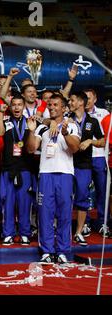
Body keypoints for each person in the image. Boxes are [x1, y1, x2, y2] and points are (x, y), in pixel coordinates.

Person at [27, 94, 80, 264]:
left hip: (65, 174)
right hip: (46, 174)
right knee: (45, 214)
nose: (51, 107)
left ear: (64, 108)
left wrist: (64, 133)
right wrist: (30, 130)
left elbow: (75, 148)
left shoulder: (72, 126)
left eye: (56, 105)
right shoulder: (41, 128)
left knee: (64, 214)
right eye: (49, 105)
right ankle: (47, 251)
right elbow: (31, 148)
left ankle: (63, 250)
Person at [0, 95, 34, 246]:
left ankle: (25, 233)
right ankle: (8, 233)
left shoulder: (30, 122)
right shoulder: (6, 122)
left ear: (24, 106)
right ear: (11, 107)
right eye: (14, 105)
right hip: (8, 169)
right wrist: (0, 113)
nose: (17, 107)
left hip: (25, 169)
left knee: (24, 203)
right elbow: (0, 133)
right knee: (8, 203)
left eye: (20, 104)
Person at [69, 92, 104, 246]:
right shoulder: (66, 119)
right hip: (66, 164)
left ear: (81, 103)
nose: (70, 102)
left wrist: (90, 141)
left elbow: (102, 141)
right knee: (64, 199)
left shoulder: (92, 121)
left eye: (72, 100)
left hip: (84, 166)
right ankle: (62, 231)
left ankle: (78, 232)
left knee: (82, 198)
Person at [84, 88, 109, 236]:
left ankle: (102, 222)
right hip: (84, 158)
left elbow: (106, 136)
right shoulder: (78, 114)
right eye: (84, 98)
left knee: (101, 190)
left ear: (95, 99)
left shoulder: (104, 114)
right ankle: (85, 222)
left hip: (100, 156)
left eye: (89, 98)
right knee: (83, 191)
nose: (87, 101)